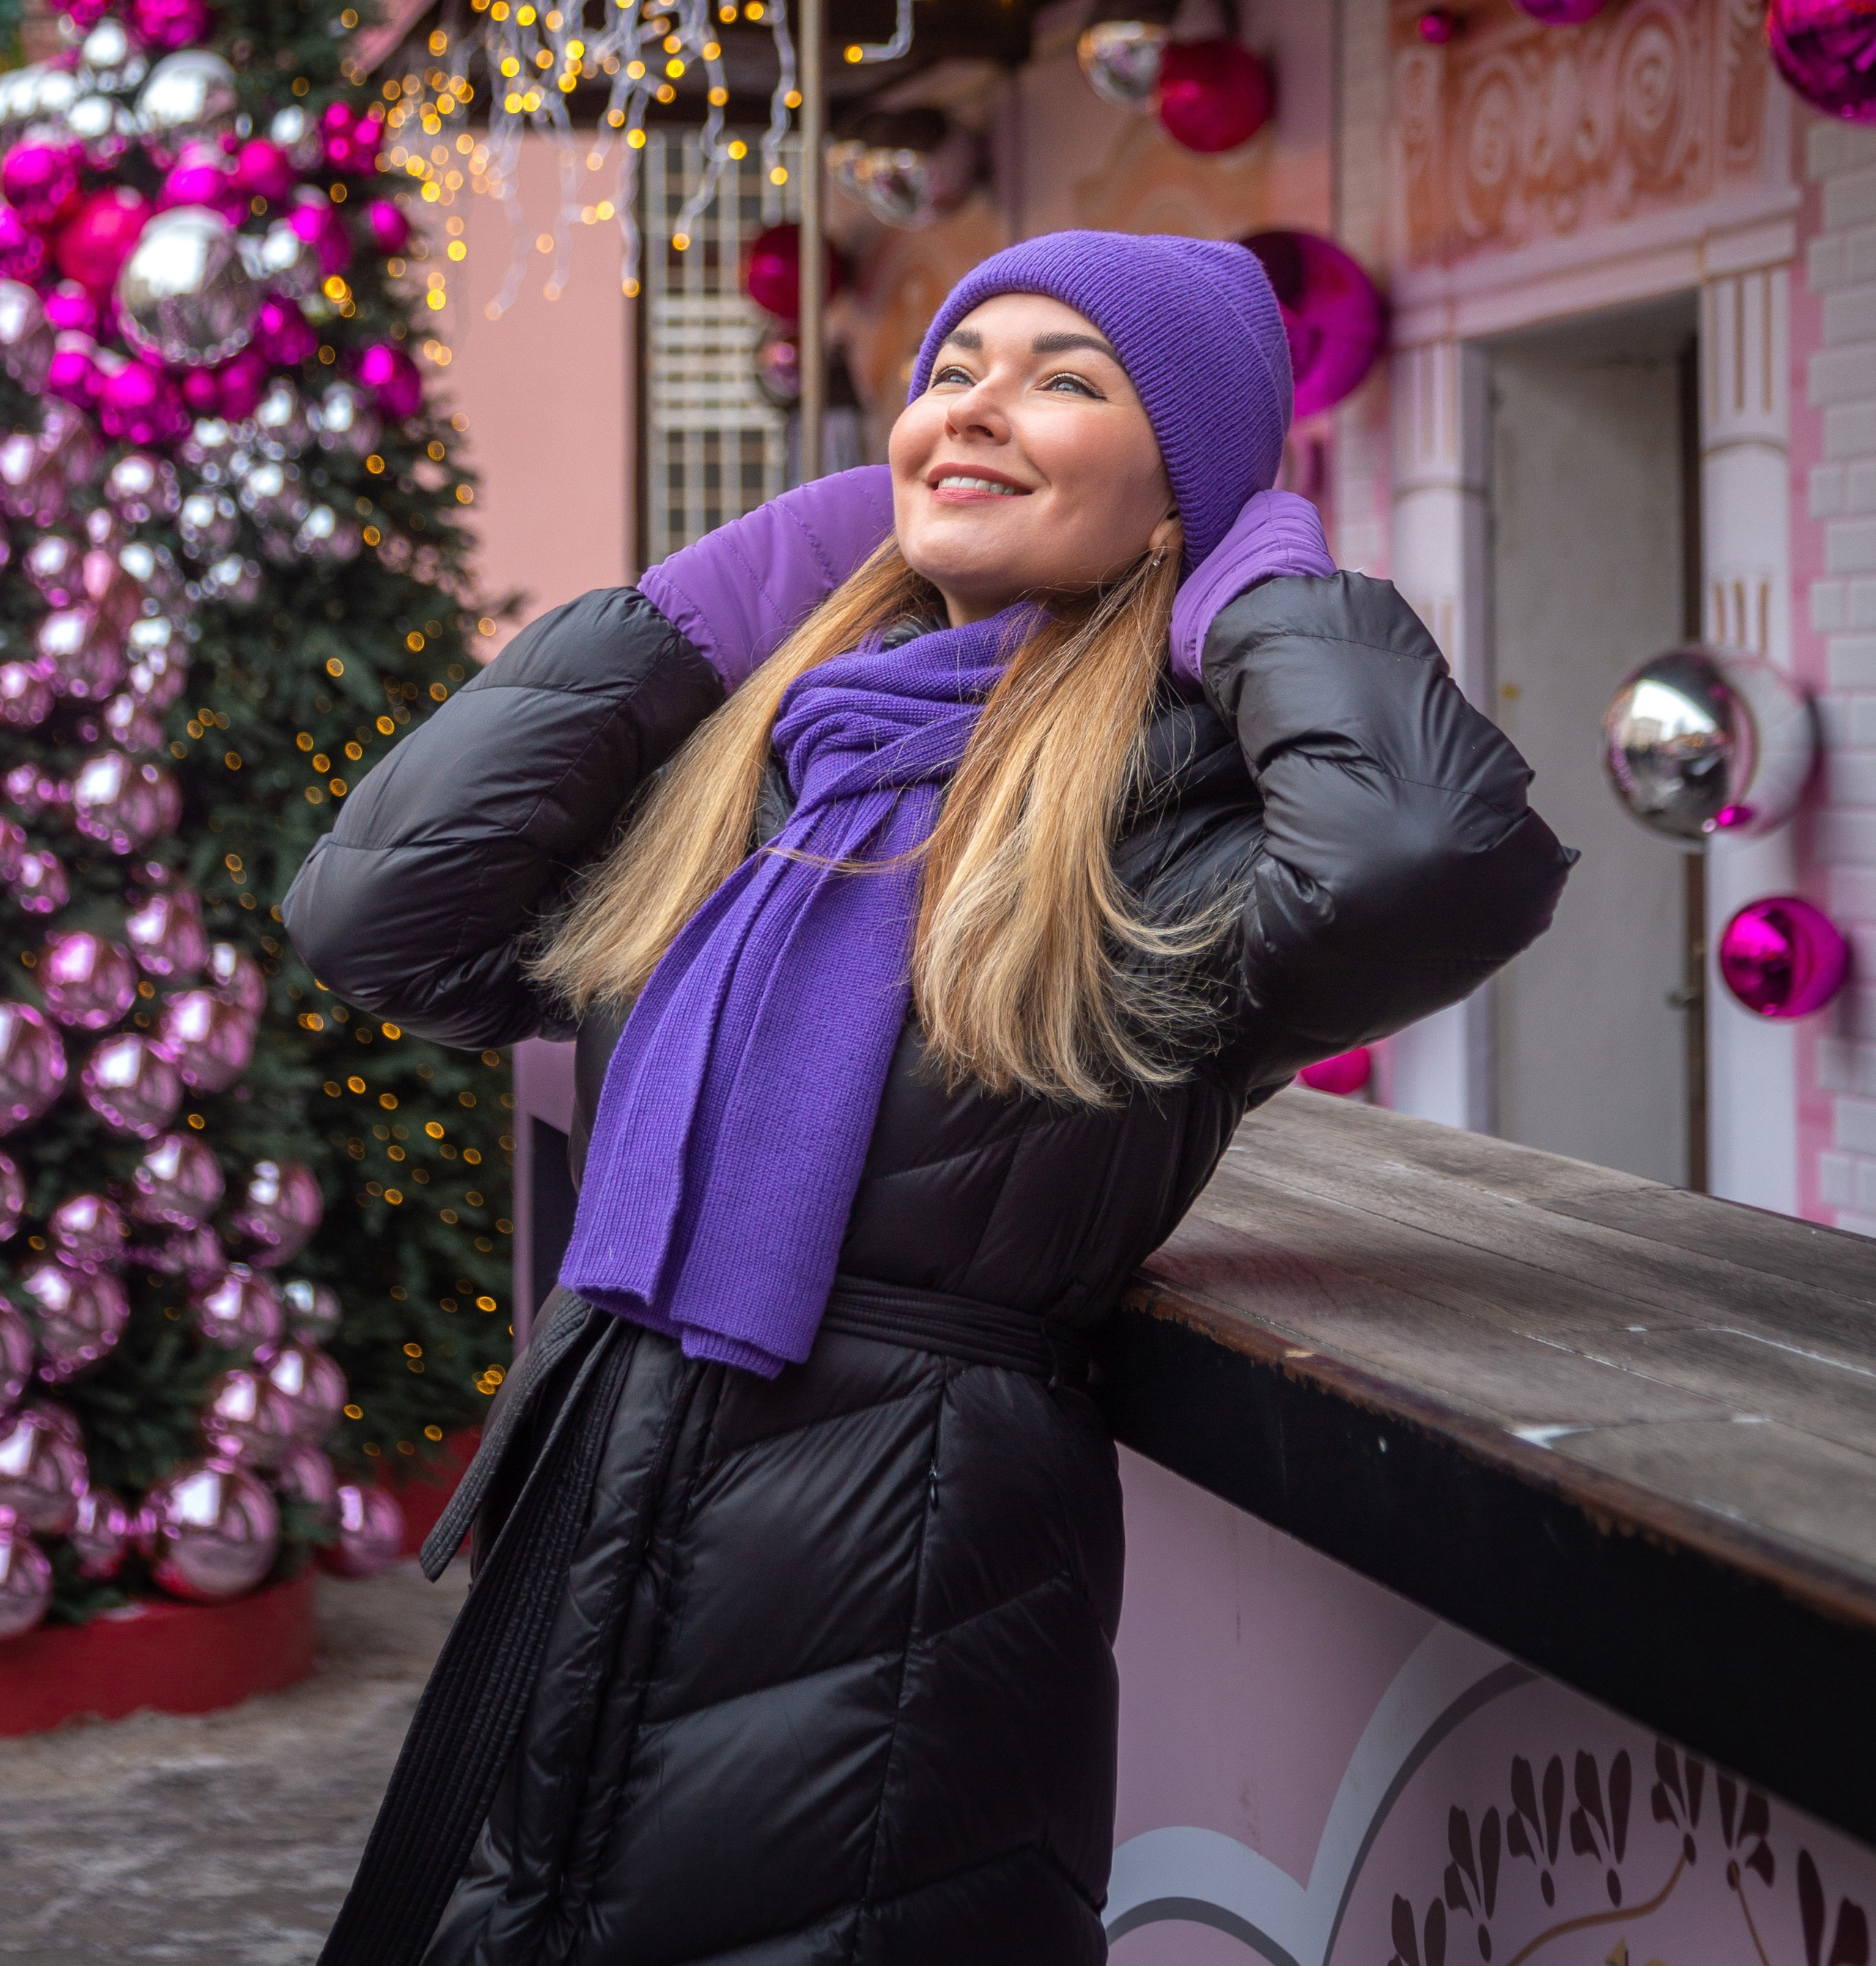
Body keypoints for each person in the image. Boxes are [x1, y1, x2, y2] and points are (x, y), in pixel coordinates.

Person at [289, 231, 1569, 1966]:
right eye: (952, 372)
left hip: (892, 1609)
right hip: (601, 1524)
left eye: (1064, 380)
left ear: (1175, 498)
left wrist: (1259, 582)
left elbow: (1429, 859)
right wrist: (695, 612)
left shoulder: (1168, 843)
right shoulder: (756, 780)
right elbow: (379, 918)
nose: (972, 407)